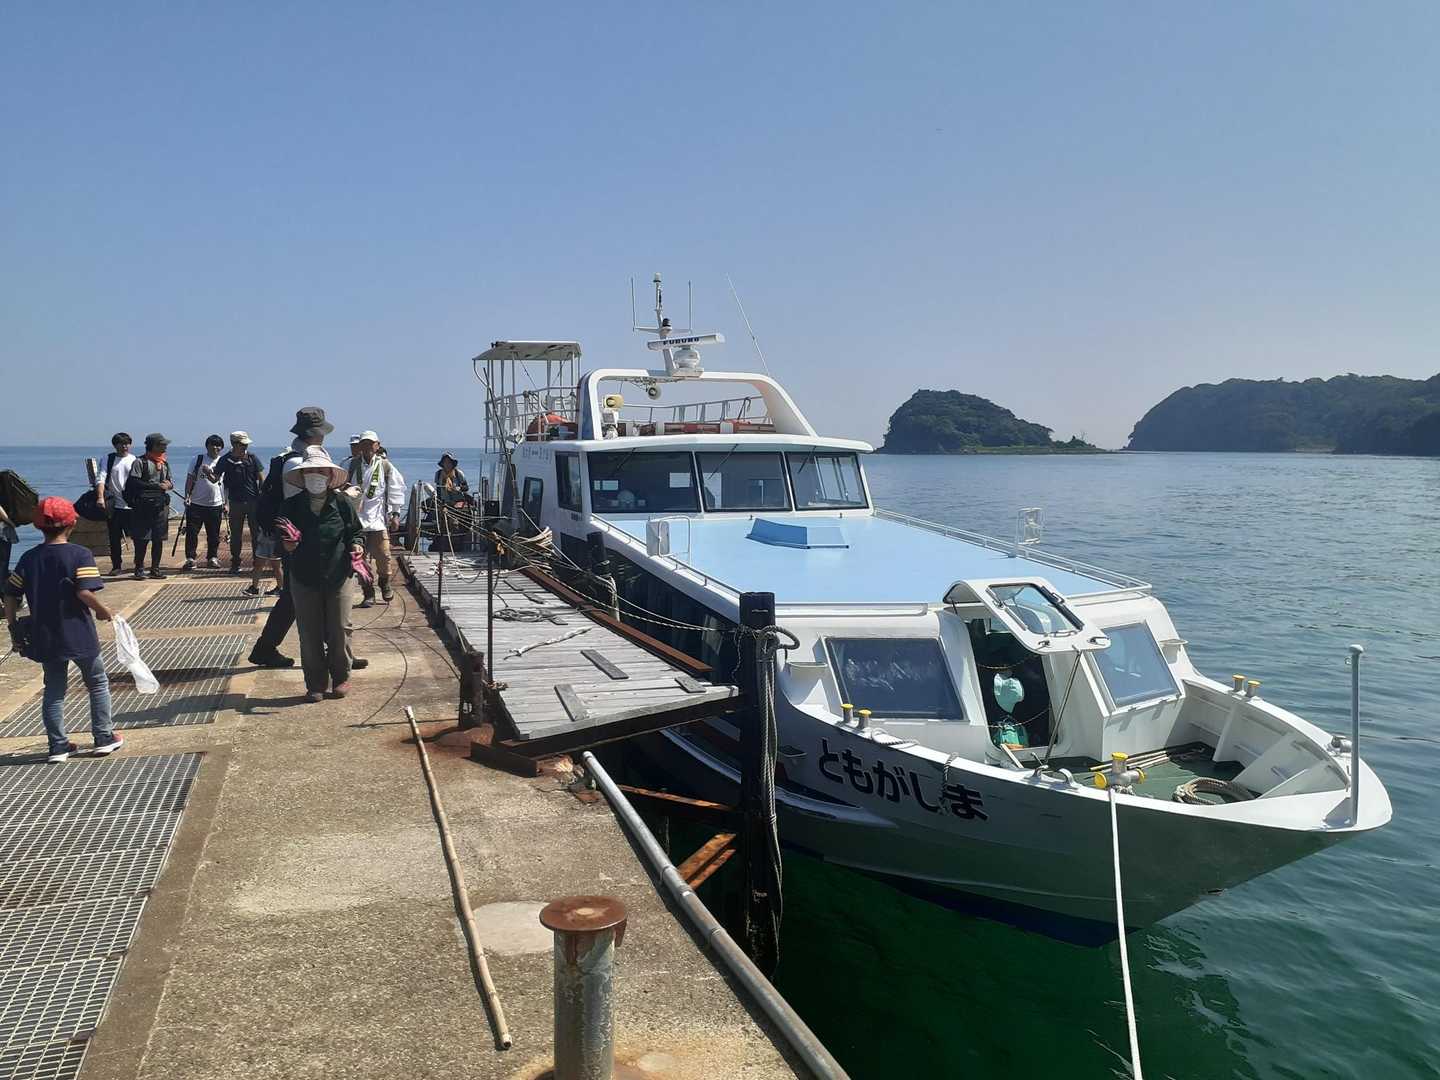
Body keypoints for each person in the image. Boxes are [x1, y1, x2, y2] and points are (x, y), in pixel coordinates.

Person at [4, 497, 123, 763]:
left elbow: (10, 594)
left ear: (38, 526)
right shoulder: (80, 554)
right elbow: (84, 592)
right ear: (72, 523)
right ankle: (103, 737)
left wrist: (12, 626)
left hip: (45, 634)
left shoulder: (29, 557)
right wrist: (103, 610)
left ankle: (58, 745)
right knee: (97, 682)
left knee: (54, 689)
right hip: (79, 632)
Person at [279, 447, 362, 702]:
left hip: (339, 574)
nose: (315, 475)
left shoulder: (342, 503)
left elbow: (355, 532)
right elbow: (281, 538)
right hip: (304, 576)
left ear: (330, 475)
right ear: (302, 476)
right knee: (309, 632)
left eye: (320, 470)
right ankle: (315, 683)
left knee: (340, 628)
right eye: (310, 471)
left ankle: (341, 677)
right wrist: (287, 545)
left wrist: (357, 545)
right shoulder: (291, 506)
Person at [248, 407, 330, 668]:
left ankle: (266, 649)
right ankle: (335, 651)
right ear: (315, 433)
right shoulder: (297, 463)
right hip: (299, 541)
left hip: (297, 540)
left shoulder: (297, 457)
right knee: (311, 595)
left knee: (295, 598)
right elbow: (304, 507)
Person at [347, 430, 405, 607]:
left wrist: (395, 514)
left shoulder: (385, 466)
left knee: (384, 555)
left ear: (377, 445)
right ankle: (368, 592)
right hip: (357, 522)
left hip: (378, 520)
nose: (367, 446)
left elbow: (396, 489)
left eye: (370, 443)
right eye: (364, 443)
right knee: (359, 560)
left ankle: (385, 583)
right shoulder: (351, 465)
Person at [208, 431, 265, 575]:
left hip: (253, 501)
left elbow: (261, 478)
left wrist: (263, 497)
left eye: (246, 444)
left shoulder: (252, 458)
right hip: (235, 502)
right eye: (242, 444)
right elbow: (215, 479)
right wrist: (208, 472)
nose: (245, 447)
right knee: (235, 535)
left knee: (256, 534)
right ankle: (235, 563)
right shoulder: (225, 460)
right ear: (234, 444)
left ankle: (257, 563)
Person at [124, 434, 174, 580]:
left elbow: (169, 482)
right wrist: (156, 486)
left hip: (160, 506)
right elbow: (134, 482)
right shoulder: (140, 462)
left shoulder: (164, 463)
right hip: (143, 506)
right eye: (162, 444)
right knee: (142, 539)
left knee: (158, 538)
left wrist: (169, 485)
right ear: (154, 446)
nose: (165, 447)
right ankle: (139, 568)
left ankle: (155, 569)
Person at [94, 432, 137, 575]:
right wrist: (100, 497)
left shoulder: (134, 460)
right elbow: (101, 478)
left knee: (137, 537)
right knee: (114, 537)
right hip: (114, 505)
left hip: (131, 505)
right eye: (121, 444)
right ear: (115, 445)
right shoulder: (108, 459)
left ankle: (138, 564)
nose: (125, 446)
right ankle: (116, 566)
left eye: (127, 443)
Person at [182, 435, 226, 570]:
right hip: (196, 503)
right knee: (192, 533)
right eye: (212, 445)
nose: (215, 448)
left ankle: (212, 558)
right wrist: (187, 496)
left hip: (216, 504)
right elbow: (190, 478)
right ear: (207, 446)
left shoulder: (223, 462)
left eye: (218, 445)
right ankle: (190, 559)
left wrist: (226, 503)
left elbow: (227, 484)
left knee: (214, 534)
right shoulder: (197, 459)